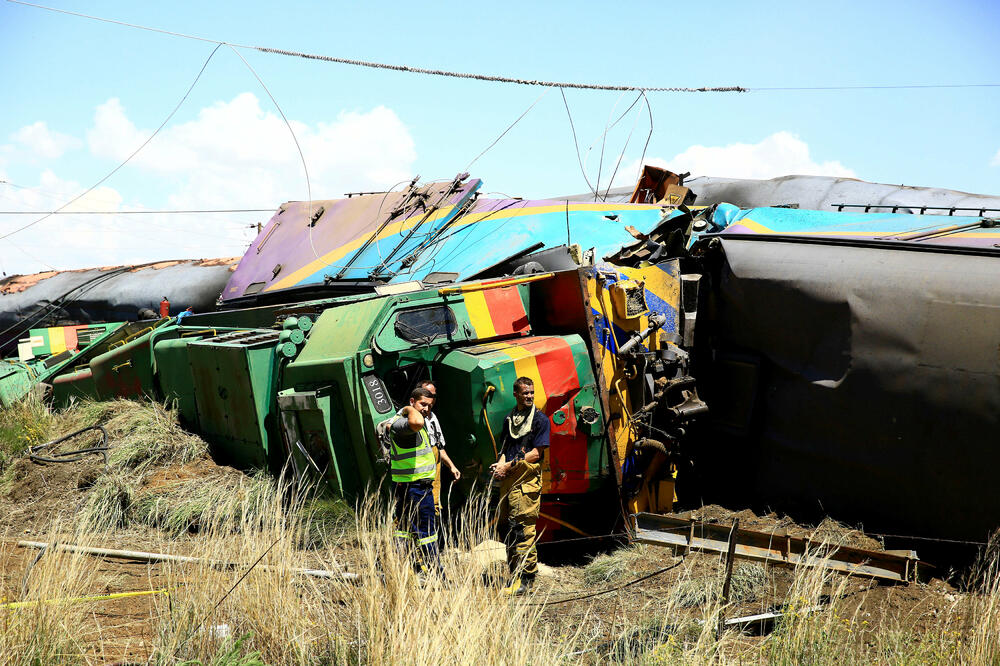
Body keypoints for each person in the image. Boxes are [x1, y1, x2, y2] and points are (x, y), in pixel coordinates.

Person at [490, 376, 549, 595]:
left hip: (526, 481)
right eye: (525, 393)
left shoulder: (540, 420)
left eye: (532, 392)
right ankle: (514, 574)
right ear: (516, 394)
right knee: (506, 529)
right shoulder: (509, 419)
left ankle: (527, 579)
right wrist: (500, 465)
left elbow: (536, 453)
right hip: (508, 481)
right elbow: (506, 448)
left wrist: (508, 466)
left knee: (522, 531)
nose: (530, 397)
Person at [389, 387, 444, 577]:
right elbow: (417, 421)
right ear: (412, 401)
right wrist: (407, 408)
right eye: (422, 404)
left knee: (404, 529)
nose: (426, 410)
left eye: (430, 406)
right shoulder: (403, 424)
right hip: (416, 488)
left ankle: (399, 570)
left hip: (411, 486)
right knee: (427, 532)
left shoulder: (403, 422)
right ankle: (437, 574)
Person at [416, 379, 461, 513]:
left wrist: (452, 466)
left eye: (433, 396)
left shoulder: (433, 417)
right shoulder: (412, 418)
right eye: (427, 394)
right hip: (420, 474)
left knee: (434, 504)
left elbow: (438, 447)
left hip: (434, 472)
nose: (431, 399)